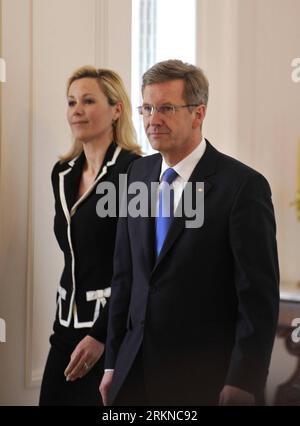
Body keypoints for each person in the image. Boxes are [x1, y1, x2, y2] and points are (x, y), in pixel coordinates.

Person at [100, 59, 280, 406]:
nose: (153, 119)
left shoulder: (243, 187)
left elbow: (257, 298)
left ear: (198, 113)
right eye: (147, 108)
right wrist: (111, 363)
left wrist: (244, 379)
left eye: (166, 107)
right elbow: (125, 278)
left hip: (204, 378)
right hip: (131, 372)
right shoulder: (137, 174)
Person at [39, 66, 142, 406]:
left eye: (87, 101)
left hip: (112, 332)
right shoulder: (62, 172)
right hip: (65, 328)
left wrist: (101, 335)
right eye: (71, 102)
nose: (76, 110)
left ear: (116, 109)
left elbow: (142, 265)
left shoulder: (136, 172)